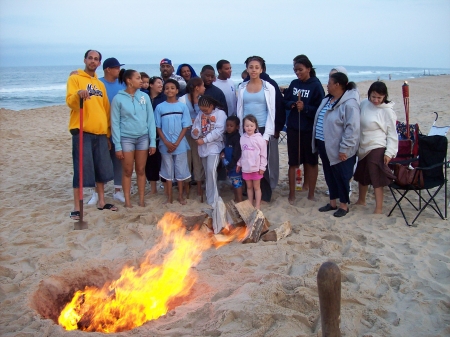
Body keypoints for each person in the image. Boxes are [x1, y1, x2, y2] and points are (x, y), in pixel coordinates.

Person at [66, 49, 117, 220]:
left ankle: (101, 201)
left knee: (101, 168)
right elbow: (70, 102)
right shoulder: (75, 78)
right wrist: (77, 95)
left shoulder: (100, 84)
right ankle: (76, 207)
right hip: (82, 131)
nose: (93, 61)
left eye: (96, 59)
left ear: (99, 63)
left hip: (101, 133)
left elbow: (106, 109)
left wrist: (108, 134)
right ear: (85, 60)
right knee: (81, 168)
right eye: (90, 58)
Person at [312, 72, 360, 217]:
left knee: (342, 176)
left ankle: (344, 205)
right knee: (329, 174)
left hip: (339, 147)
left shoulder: (349, 104)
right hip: (323, 143)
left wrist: (345, 148)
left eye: (329, 82)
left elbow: (352, 129)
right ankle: (332, 202)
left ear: (337, 85)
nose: (327, 85)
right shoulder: (328, 99)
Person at [111, 69, 156, 208]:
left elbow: (151, 120)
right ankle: (127, 201)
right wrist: (117, 146)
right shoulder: (118, 99)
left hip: (143, 137)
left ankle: (141, 200)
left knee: (141, 170)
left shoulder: (145, 97)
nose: (141, 81)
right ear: (129, 81)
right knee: (128, 170)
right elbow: (115, 123)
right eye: (138, 78)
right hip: (126, 139)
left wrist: (152, 141)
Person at [284, 55, 325, 203]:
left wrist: (306, 108)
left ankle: (311, 194)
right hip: (294, 128)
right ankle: (292, 193)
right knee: (293, 162)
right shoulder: (294, 83)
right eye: (295, 70)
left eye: (300, 70)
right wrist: (292, 104)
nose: (297, 73)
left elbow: (321, 109)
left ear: (308, 68)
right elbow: (285, 100)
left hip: (309, 130)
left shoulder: (316, 85)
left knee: (311, 161)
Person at [237, 56, 277, 202]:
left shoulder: (268, 87)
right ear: (247, 69)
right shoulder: (241, 87)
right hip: (246, 128)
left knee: (262, 161)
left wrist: (266, 135)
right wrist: (241, 131)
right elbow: (240, 109)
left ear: (261, 69)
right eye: (251, 67)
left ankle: (264, 195)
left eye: (256, 67)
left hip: (262, 128)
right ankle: (249, 194)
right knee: (248, 159)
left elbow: (271, 111)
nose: (253, 70)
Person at [87, 57, 126, 205]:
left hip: (120, 128)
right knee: (99, 161)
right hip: (101, 128)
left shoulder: (122, 84)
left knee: (118, 160)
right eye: (116, 67)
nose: (119, 70)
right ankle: (96, 193)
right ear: (108, 69)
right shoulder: (98, 83)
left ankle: (117, 191)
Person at [354, 81, 397, 214]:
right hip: (363, 145)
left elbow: (392, 133)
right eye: (373, 97)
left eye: (379, 97)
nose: (376, 100)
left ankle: (378, 208)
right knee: (362, 173)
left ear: (384, 96)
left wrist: (389, 152)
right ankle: (361, 200)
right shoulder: (364, 104)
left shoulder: (387, 111)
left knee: (376, 175)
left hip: (377, 144)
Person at [154, 79, 192, 205]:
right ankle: (169, 197)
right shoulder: (160, 107)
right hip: (165, 144)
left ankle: (180, 196)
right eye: (167, 88)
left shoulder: (182, 106)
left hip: (180, 144)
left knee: (180, 170)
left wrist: (176, 143)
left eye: (172, 88)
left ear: (177, 90)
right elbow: (158, 126)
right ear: (164, 91)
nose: (169, 90)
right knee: (167, 170)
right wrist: (165, 142)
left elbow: (185, 126)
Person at [191, 95, 227, 206]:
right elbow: (195, 128)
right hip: (202, 147)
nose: (204, 112)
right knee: (207, 172)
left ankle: (214, 200)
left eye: (206, 109)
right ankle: (209, 197)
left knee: (211, 170)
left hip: (214, 146)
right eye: (201, 109)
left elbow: (218, 131)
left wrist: (205, 140)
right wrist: (195, 133)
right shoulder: (200, 114)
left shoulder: (220, 114)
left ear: (211, 106)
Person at [178, 77, 206, 199]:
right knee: (186, 161)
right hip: (185, 135)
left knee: (198, 161)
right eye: (202, 86)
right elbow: (179, 118)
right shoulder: (182, 99)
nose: (204, 88)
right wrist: (191, 122)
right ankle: (186, 188)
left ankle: (199, 188)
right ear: (197, 88)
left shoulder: (202, 100)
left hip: (198, 136)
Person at [236, 115, 267, 209]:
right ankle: (250, 203)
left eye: (251, 125)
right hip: (246, 168)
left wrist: (262, 167)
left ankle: (257, 205)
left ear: (255, 126)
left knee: (256, 187)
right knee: (249, 187)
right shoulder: (242, 138)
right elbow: (242, 153)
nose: (249, 128)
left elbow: (263, 154)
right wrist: (239, 164)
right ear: (243, 127)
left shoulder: (259, 139)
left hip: (256, 168)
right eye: (247, 125)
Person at [145, 76, 166, 194]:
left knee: (162, 161)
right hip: (147, 134)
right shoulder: (144, 97)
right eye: (158, 83)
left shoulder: (164, 98)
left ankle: (164, 185)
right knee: (150, 162)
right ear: (151, 85)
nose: (161, 85)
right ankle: (153, 188)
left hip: (161, 134)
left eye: (162, 83)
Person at [221, 115, 243, 202]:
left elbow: (237, 153)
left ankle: (240, 200)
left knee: (237, 183)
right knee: (234, 182)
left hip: (235, 165)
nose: (229, 128)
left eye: (231, 126)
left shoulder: (237, 138)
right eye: (227, 126)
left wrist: (231, 165)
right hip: (229, 164)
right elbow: (226, 148)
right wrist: (222, 152)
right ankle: (236, 199)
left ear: (237, 127)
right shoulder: (227, 136)